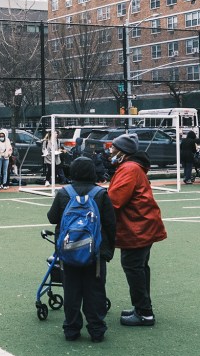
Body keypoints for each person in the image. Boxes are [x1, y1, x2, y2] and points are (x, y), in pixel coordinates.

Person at [46, 157, 116, 343]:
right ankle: (96, 330)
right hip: (95, 253)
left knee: (71, 291)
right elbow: (110, 224)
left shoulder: (64, 193)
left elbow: (52, 218)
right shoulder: (100, 194)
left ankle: (71, 329)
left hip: (68, 252)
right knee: (95, 291)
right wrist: (108, 251)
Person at [106, 133, 168, 328]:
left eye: (113, 148)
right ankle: (142, 307)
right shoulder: (132, 167)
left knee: (133, 267)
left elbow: (114, 200)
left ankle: (144, 312)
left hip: (137, 227)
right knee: (140, 267)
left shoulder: (129, 169)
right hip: (143, 225)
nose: (110, 151)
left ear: (123, 152)